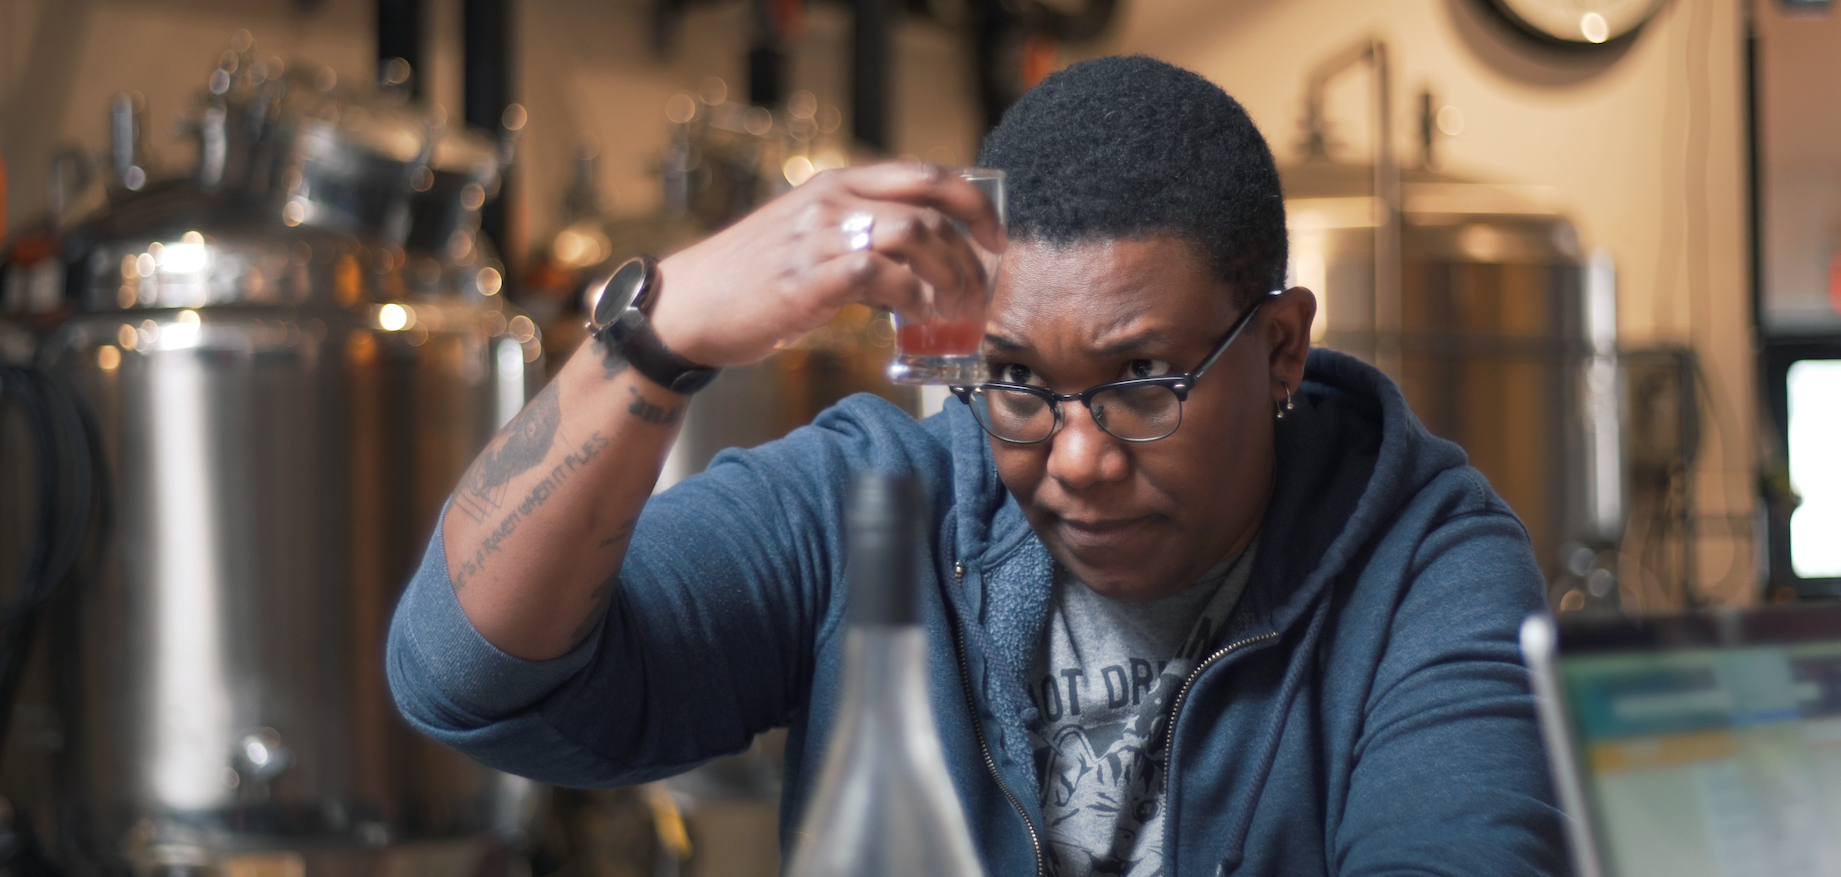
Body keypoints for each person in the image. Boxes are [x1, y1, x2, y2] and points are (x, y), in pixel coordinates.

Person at [387, 55, 1566, 877]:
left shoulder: (1426, 562)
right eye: (1017, 383)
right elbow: (462, 677)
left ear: (1279, 349)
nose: (1080, 457)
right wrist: (657, 336)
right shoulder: (882, 506)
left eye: (1145, 379)